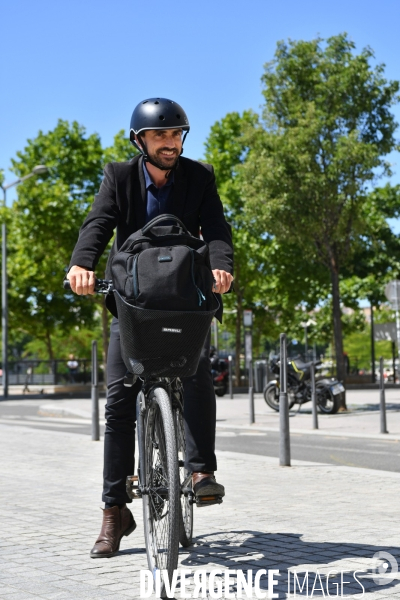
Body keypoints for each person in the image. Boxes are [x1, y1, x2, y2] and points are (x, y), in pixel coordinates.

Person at [67, 98, 234, 558]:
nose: (170, 143)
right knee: (119, 400)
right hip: (133, 304)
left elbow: (216, 228)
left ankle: (201, 473)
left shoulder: (199, 177)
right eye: (160, 136)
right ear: (140, 141)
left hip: (185, 300)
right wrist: (82, 264)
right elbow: (98, 224)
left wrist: (222, 267)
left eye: (176, 135)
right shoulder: (119, 177)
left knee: (198, 374)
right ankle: (114, 511)